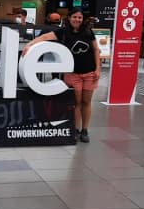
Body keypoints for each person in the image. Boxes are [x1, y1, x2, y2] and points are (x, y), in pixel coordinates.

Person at [25, 10, 100, 142]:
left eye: (80, 17)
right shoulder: (63, 32)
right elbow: (44, 37)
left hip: (89, 73)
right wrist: (30, 44)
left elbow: (95, 50)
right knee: (76, 102)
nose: (77, 19)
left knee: (86, 102)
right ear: (69, 18)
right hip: (72, 73)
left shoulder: (88, 32)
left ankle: (85, 130)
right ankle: (76, 129)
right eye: (75, 17)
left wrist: (98, 69)